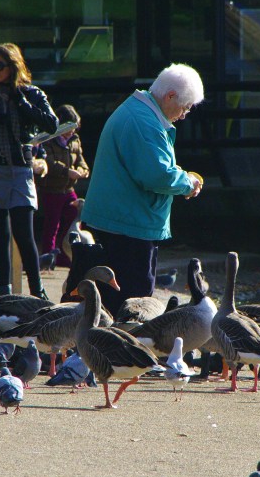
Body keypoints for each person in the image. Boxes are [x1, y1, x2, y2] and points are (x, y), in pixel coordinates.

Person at [81, 63, 204, 315]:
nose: (184, 115)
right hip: (128, 224)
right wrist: (187, 183)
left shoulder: (139, 112)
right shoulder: (144, 122)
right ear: (170, 96)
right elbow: (157, 175)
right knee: (134, 302)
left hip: (121, 219)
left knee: (117, 298)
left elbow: (152, 165)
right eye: (185, 107)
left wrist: (180, 175)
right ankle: (123, 340)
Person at [0, 43, 58, 297]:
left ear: (13, 66)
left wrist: (23, 104)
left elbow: (51, 124)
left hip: (20, 170)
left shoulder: (32, 93)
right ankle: (3, 293)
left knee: (24, 233)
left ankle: (37, 291)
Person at [36, 104, 89, 268]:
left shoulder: (75, 140)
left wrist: (83, 170)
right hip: (52, 189)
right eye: (69, 127)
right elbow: (48, 162)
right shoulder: (47, 139)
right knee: (52, 224)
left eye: (74, 128)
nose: (72, 131)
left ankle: (65, 253)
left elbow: (81, 161)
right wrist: (67, 172)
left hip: (68, 189)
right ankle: (48, 257)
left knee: (74, 216)